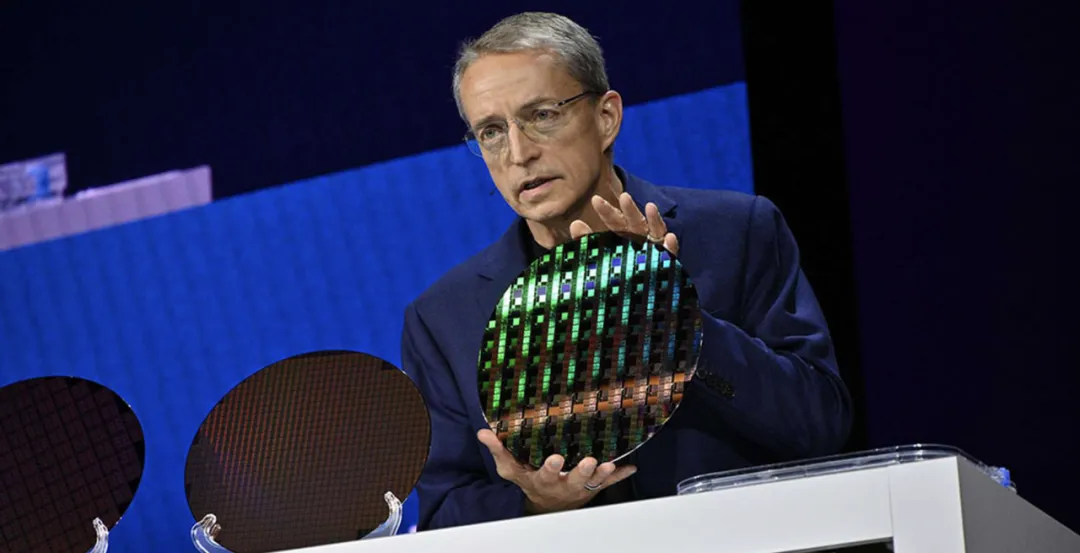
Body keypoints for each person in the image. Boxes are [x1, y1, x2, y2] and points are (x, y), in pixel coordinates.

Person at [400, 11, 852, 531]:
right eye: (492, 131)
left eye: (542, 115)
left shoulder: (738, 231)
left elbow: (821, 424)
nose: (519, 153)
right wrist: (537, 503)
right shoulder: (442, 318)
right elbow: (445, 511)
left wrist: (678, 318)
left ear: (606, 117)